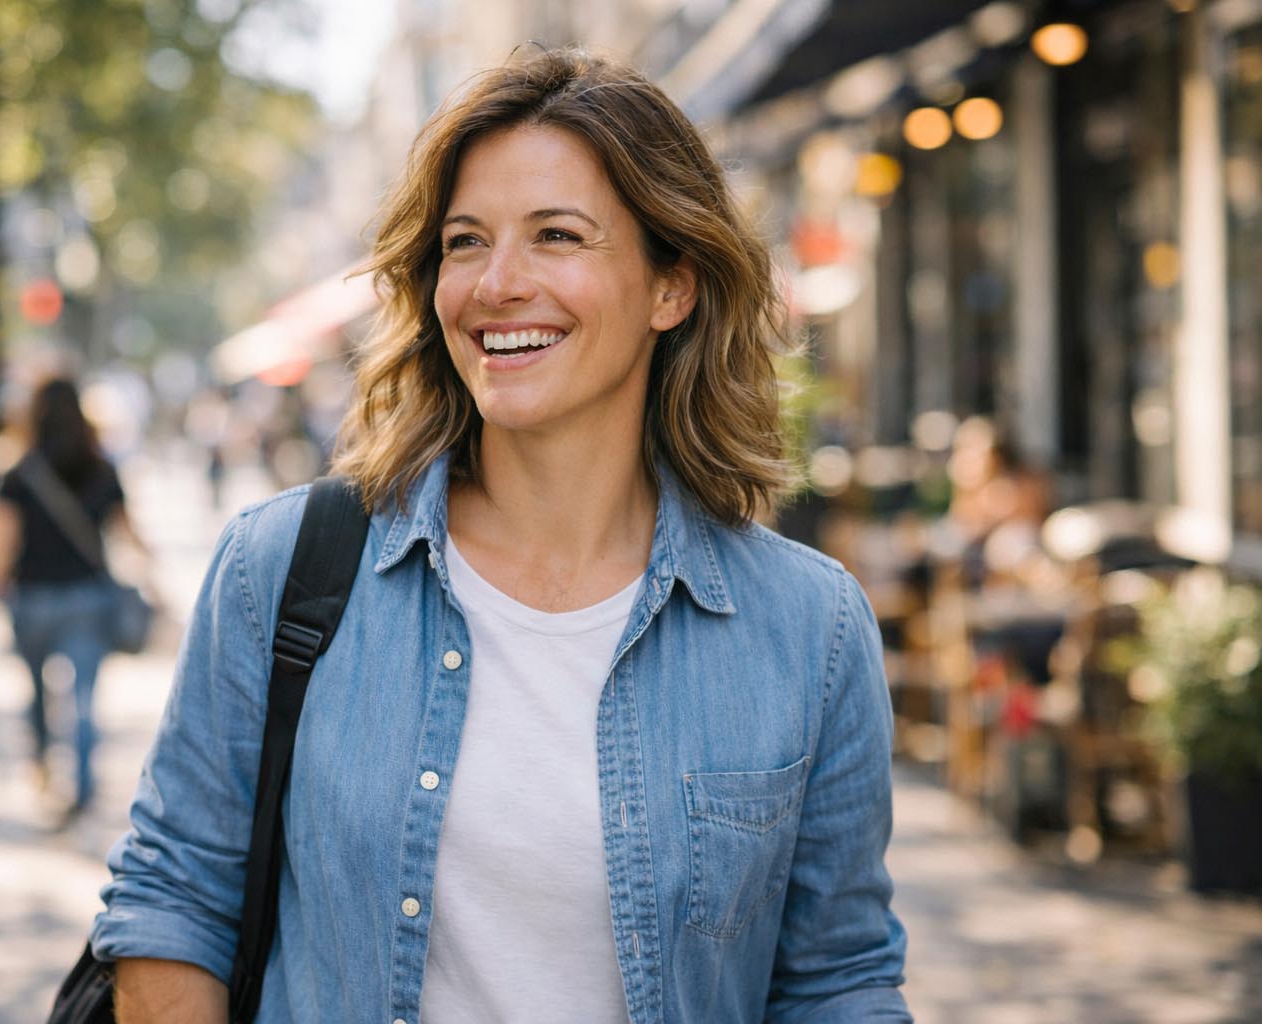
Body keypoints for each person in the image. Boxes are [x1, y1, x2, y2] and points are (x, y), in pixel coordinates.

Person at [94, 47, 909, 1022]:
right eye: (466, 241)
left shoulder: (809, 629)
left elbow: (835, 982)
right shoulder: (281, 571)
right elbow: (172, 909)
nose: (496, 284)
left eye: (557, 235)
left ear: (671, 287)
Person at [0, 377, 149, 814]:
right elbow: (129, 533)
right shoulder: (101, 468)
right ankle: (84, 787)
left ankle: (41, 769)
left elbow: (4, 543)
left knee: (36, 691)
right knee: (84, 699)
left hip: (32, 599)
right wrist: (155, 576)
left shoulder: (18, 473)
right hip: (88, 597)